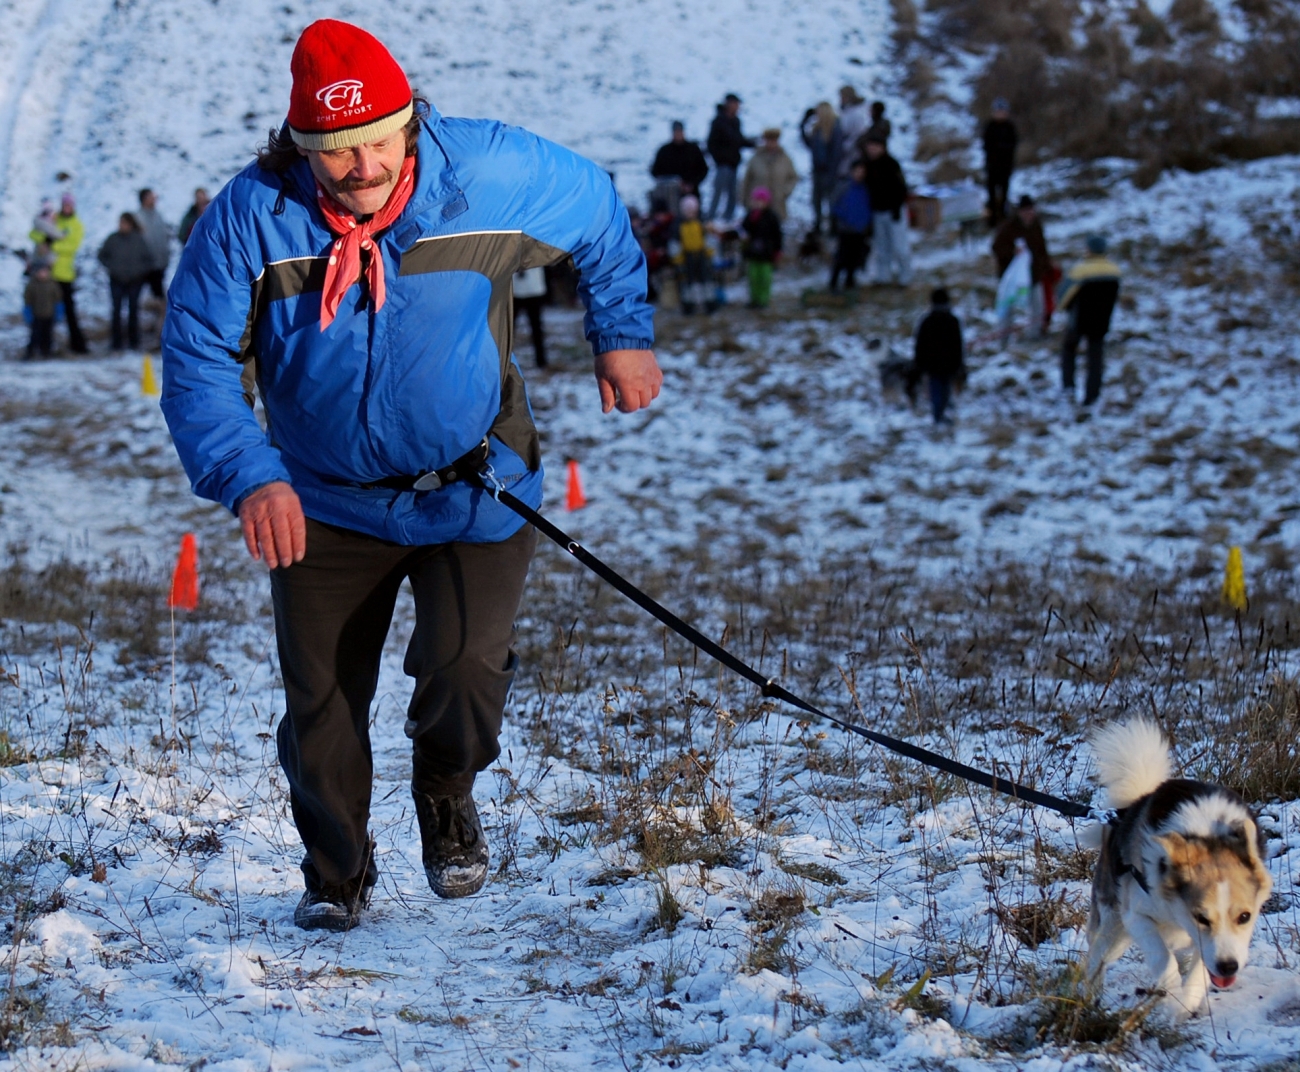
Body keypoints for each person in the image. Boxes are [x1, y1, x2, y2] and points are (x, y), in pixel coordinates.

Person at [160, 19, 661, 932]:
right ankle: (336, 874)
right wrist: (251, 474)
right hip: (323, 500)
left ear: (410, 120)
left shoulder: (488, 175)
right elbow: (195, 359)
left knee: (466, 670)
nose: (362, 166)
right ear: (299, 146)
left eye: (380, 141)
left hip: (474, 486)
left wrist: (621, 331)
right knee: (321, 705)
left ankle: (445, 789)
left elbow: (596, 210)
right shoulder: (248, 218)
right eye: (335, 150)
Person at [1058, 234, 1122, 407]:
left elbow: (1063, 296)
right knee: (1095, 358)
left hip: (1078, 320)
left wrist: (1062, 308)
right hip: (1101, 321)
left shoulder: (1080, 271)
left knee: (1069, 350)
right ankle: (1092, 395)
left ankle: (1068, 387)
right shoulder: (1114, 271)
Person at [30, 194, 87, 354]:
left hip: (64, 274)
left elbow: (72, 246)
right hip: (48, 273)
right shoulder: (55, 219)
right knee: (44, 312)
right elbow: (35, 233)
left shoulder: (76, 225)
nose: (67, 208)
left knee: (69, 311)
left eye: (69, 205)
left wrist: (52, 246)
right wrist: (43, 241)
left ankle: (78, 345)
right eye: (64, 205)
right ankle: (43, 346)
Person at [993, 195, 1052, 333]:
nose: (1029, 214)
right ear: (1019, 212)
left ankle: (1035, 334)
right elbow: (996, 248)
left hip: (1034, 274)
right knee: (1008, 308)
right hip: (1012, 278)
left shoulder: (1036, 225)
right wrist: (1012, 251)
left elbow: (1042, 248)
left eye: (1031, 210)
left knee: (1038, 306)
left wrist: (1046, 266)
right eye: (1026, 211)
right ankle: (1003, 336)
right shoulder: (1008, 227)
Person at [98, 212, 153, 351]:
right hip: (117, 280)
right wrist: (111, 267)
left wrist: (140, 271)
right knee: (116, 310)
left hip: (135, 281)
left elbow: (148, 259)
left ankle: (134, 341)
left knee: (133, 310)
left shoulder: (138, 239)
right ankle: (116, 342)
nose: (122, 226)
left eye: (124, 223)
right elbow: (102, 255)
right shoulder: (113, 239)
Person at [862, 137, 912, 285]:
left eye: (875, 146)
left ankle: (905, 275)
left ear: (882, 147)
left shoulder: (891, 164)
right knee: (882, 247)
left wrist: (897, 208)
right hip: (878, 212)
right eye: (869, 146)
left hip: (894, 211)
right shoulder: (868, 166)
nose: (871, 149)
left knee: (900, 246)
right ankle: (883, 276)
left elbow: (901, 188)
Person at [914, 287, 965, 424]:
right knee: (945, 389)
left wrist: (919, 363)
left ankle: (937, 415)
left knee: (935, 390)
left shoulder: (927, 320)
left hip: (932, 365)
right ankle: (942, 413)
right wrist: (959, 363)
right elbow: (958, 345)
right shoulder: (953, 320)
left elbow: (920, 344)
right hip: (949, 364)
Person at [706, 94, 756, 221]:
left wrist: (753, 144)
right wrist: (719, 158)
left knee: (733, 194)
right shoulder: (718, 121)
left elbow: (738, 140)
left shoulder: (736, 122)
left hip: (734, 164)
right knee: (718, 192)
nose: (737, 107)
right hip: (723, 164)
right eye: (735, 104)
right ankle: (710, 218)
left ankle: (728, 219)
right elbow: (711, 143)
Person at [800, 103, 842, 234]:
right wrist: (803, 124)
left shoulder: (835, 129)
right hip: (817, 170)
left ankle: (833, 226)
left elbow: (836, 152)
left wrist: (832, 172)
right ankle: (818, 224)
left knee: (830, 199)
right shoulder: (817, 130)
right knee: (816, 199)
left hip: (828, 170)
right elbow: (809, 144)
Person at [741, 128, 799, 221]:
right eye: (769, 140)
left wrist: (785, 191)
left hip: (777, 203)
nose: (771, 143)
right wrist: (745, 198)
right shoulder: (756, 158)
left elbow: (793, 177)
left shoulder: (785, 159)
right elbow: (746, 179)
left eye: (774, 140)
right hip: (758, 205)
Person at [829, 161, 870, 291]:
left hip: (860, 229)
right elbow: (834, 203)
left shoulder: (865, 188)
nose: (859, 174)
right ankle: (834, 282)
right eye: (857, 171)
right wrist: (843, 216)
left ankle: (849, 281)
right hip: (845, 228)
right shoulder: (844, 186)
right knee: (842, 256)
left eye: (862, 172)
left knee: (855, 256)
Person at [740, 187, 782, 308]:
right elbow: (744, 231)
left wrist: (777, 250)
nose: (758, 203)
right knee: (753, 277)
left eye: (761, 201)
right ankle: (754, 299)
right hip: (753, 252)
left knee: (765, 278)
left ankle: (763, 300)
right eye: (756, 200)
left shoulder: (772, 217)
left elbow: (778, 235)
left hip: (767, 254)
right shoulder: (750, 215)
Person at [673, 194, 712, 314]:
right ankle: (688, 305)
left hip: (701, 255)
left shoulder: (700, 223)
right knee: (688, 282)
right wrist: (678, 258)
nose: (691, 213)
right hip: (687, 256)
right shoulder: (678, 225)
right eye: (688, 211)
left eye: (693, 210)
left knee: (705, 279)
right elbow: (675, 244)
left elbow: (707, 239)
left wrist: (709, 252)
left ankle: (709, 302)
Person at [983, 99, 1018, 227]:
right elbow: (987, 146)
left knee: (1004, 193)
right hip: (992, 167)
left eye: (1003, 112)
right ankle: (991, 219)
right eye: (998, 112)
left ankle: (1003, 217)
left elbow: (1013, 145)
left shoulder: (1009, 127)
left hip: (1005, 166)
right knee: (991, 194)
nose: (1001, 114)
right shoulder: (990, 127)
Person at [650, 121, 709, 197]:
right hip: (667, 192)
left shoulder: (693, 150)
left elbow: (703, 169)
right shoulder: (664, 151)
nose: (678, 134)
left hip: (690, 192)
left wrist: (692, 184)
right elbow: (656, 172)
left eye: (680, 131)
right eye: (676, 132)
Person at [136, 188, 171, 300]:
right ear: (144, 199)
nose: (154, 199)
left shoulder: (158, 216)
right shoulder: (138, 218)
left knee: (158, 291)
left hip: (160, 262)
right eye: (151, 197)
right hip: (145, 264)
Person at [512, 265, 548, 368]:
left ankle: (541, 360)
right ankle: (502, 359)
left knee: (536, 328)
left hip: (532, 289)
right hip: (514, 289)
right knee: (508, 330)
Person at [23, 265, 59, 360]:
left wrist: (58, 313)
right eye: (40, 272)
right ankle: (30, 353)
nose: (42, 274)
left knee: (47, 335)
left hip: (49, 314)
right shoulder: (32, 285)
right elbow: (27, 300)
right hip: (36, 315)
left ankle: (46, 352)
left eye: (44, 272)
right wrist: (28, 313)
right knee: (35, 335)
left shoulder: (52, 284)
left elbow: (57, 299)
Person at [837, 86, 870, 178]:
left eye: (842, 97)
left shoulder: (857, 113)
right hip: (843, 154)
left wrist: (845, 147)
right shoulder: (845, 112)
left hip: (852, 154)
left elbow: (859, 134)